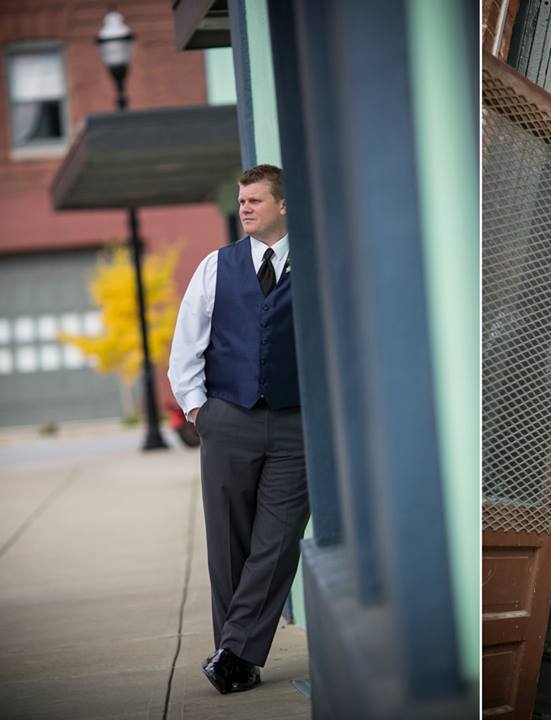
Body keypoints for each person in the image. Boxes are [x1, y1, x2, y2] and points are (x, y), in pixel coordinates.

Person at [168, 164, 310, 694]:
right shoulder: (216, 266)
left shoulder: (313, 262)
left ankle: (233, 652)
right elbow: (187, 344)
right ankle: (238, 657)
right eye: (241, 200)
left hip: (297, 423)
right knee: (228, 542)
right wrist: (199, 410)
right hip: (228, 418)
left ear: (284, 204)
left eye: (255, 200)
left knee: (278, 540)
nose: (245, 207)